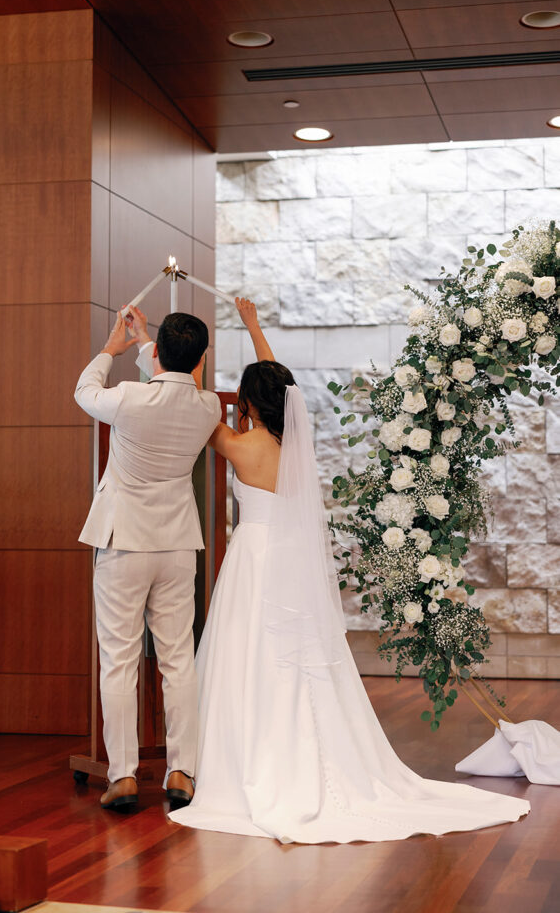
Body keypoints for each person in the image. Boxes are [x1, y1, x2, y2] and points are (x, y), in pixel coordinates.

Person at [170, 299, 530, 844]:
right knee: (297, 656)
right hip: (289, 559)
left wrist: (191, 364)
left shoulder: (237, 446)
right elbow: (281, 389)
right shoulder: (294, 441)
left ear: (246, 402)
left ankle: (241, 756)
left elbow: (195, 406)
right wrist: (254, 328)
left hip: (253, 558)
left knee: (247, 654)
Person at [74, 307, 221, 811]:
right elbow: (174, 382)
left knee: (120, 660)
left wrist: (113, 348)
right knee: (179, 659)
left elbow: (85, 392)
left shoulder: (130, 398)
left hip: (124, 542)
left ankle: (124, 776)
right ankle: (182, 772)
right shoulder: (208, 409)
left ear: (157, 354)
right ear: (202, 358)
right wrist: (145, 344)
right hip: (178, 544)